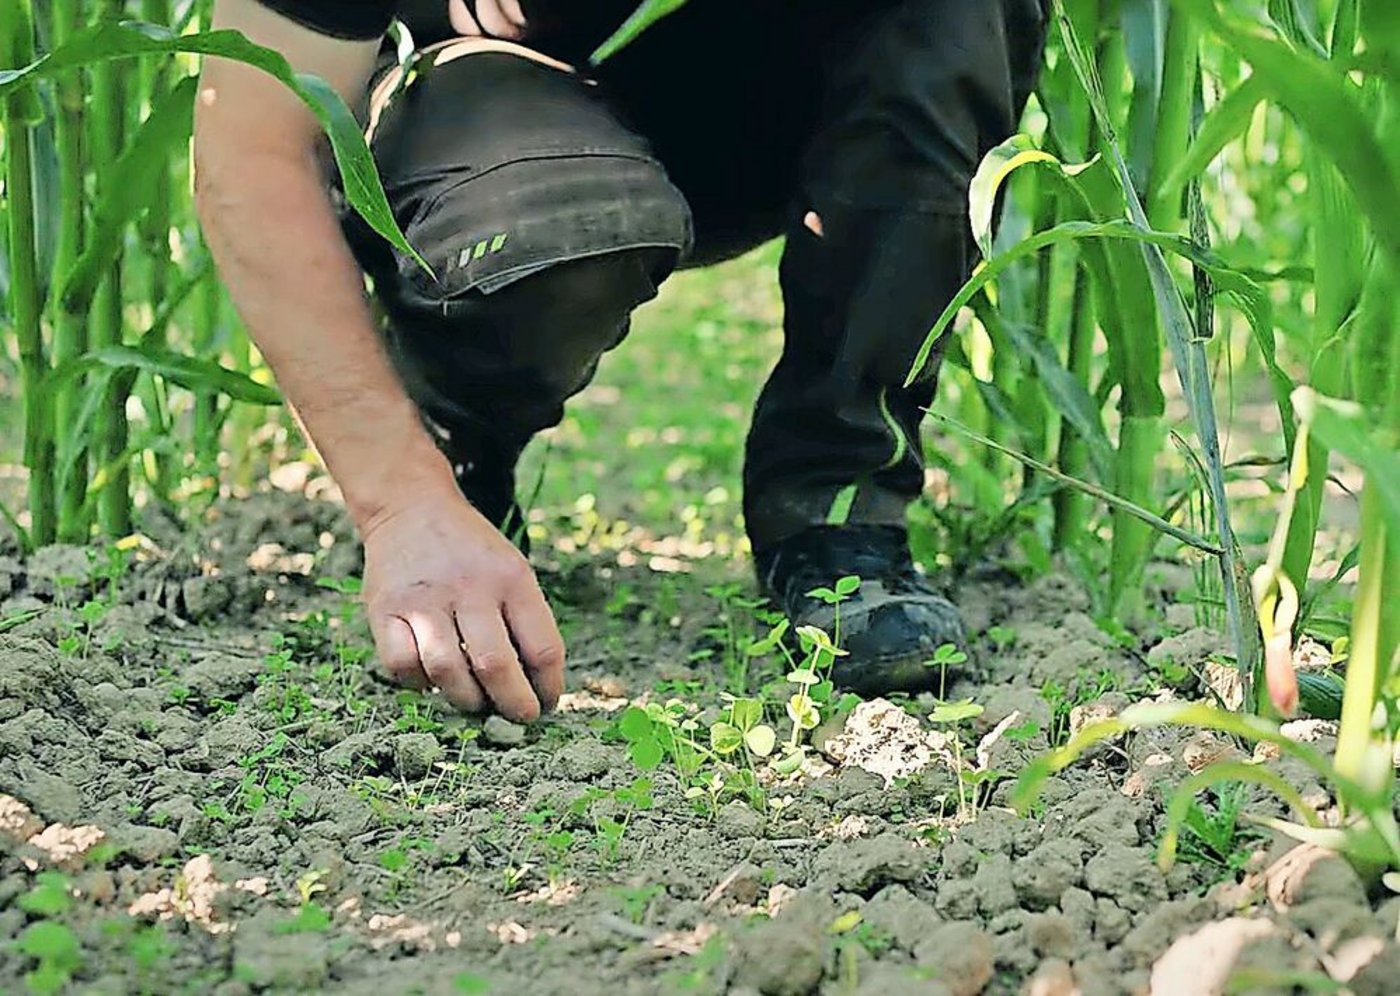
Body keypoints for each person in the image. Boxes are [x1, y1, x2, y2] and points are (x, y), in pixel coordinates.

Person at [194, 0, 1048, 723]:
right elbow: (259, 151)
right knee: (554, 224)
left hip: (777, 78)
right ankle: (450, 469)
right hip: (479, 99)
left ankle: (838, 510)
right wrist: (398, 504)